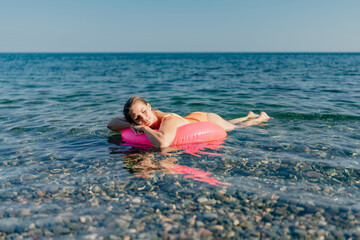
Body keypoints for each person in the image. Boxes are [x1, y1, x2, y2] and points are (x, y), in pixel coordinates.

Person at [107, 96, 270, 148]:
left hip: (205, 119)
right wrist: (130, 125)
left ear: (149, 106)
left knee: (234, 127)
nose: (143, 118)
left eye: (144, 111)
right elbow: (111, 124)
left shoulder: (167, 120)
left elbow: (162, 143)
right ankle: (248, 115)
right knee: (231, 122)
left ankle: (259, 118)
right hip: (191, 117)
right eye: (137, 118)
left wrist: (143, 129)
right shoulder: (138, 119)